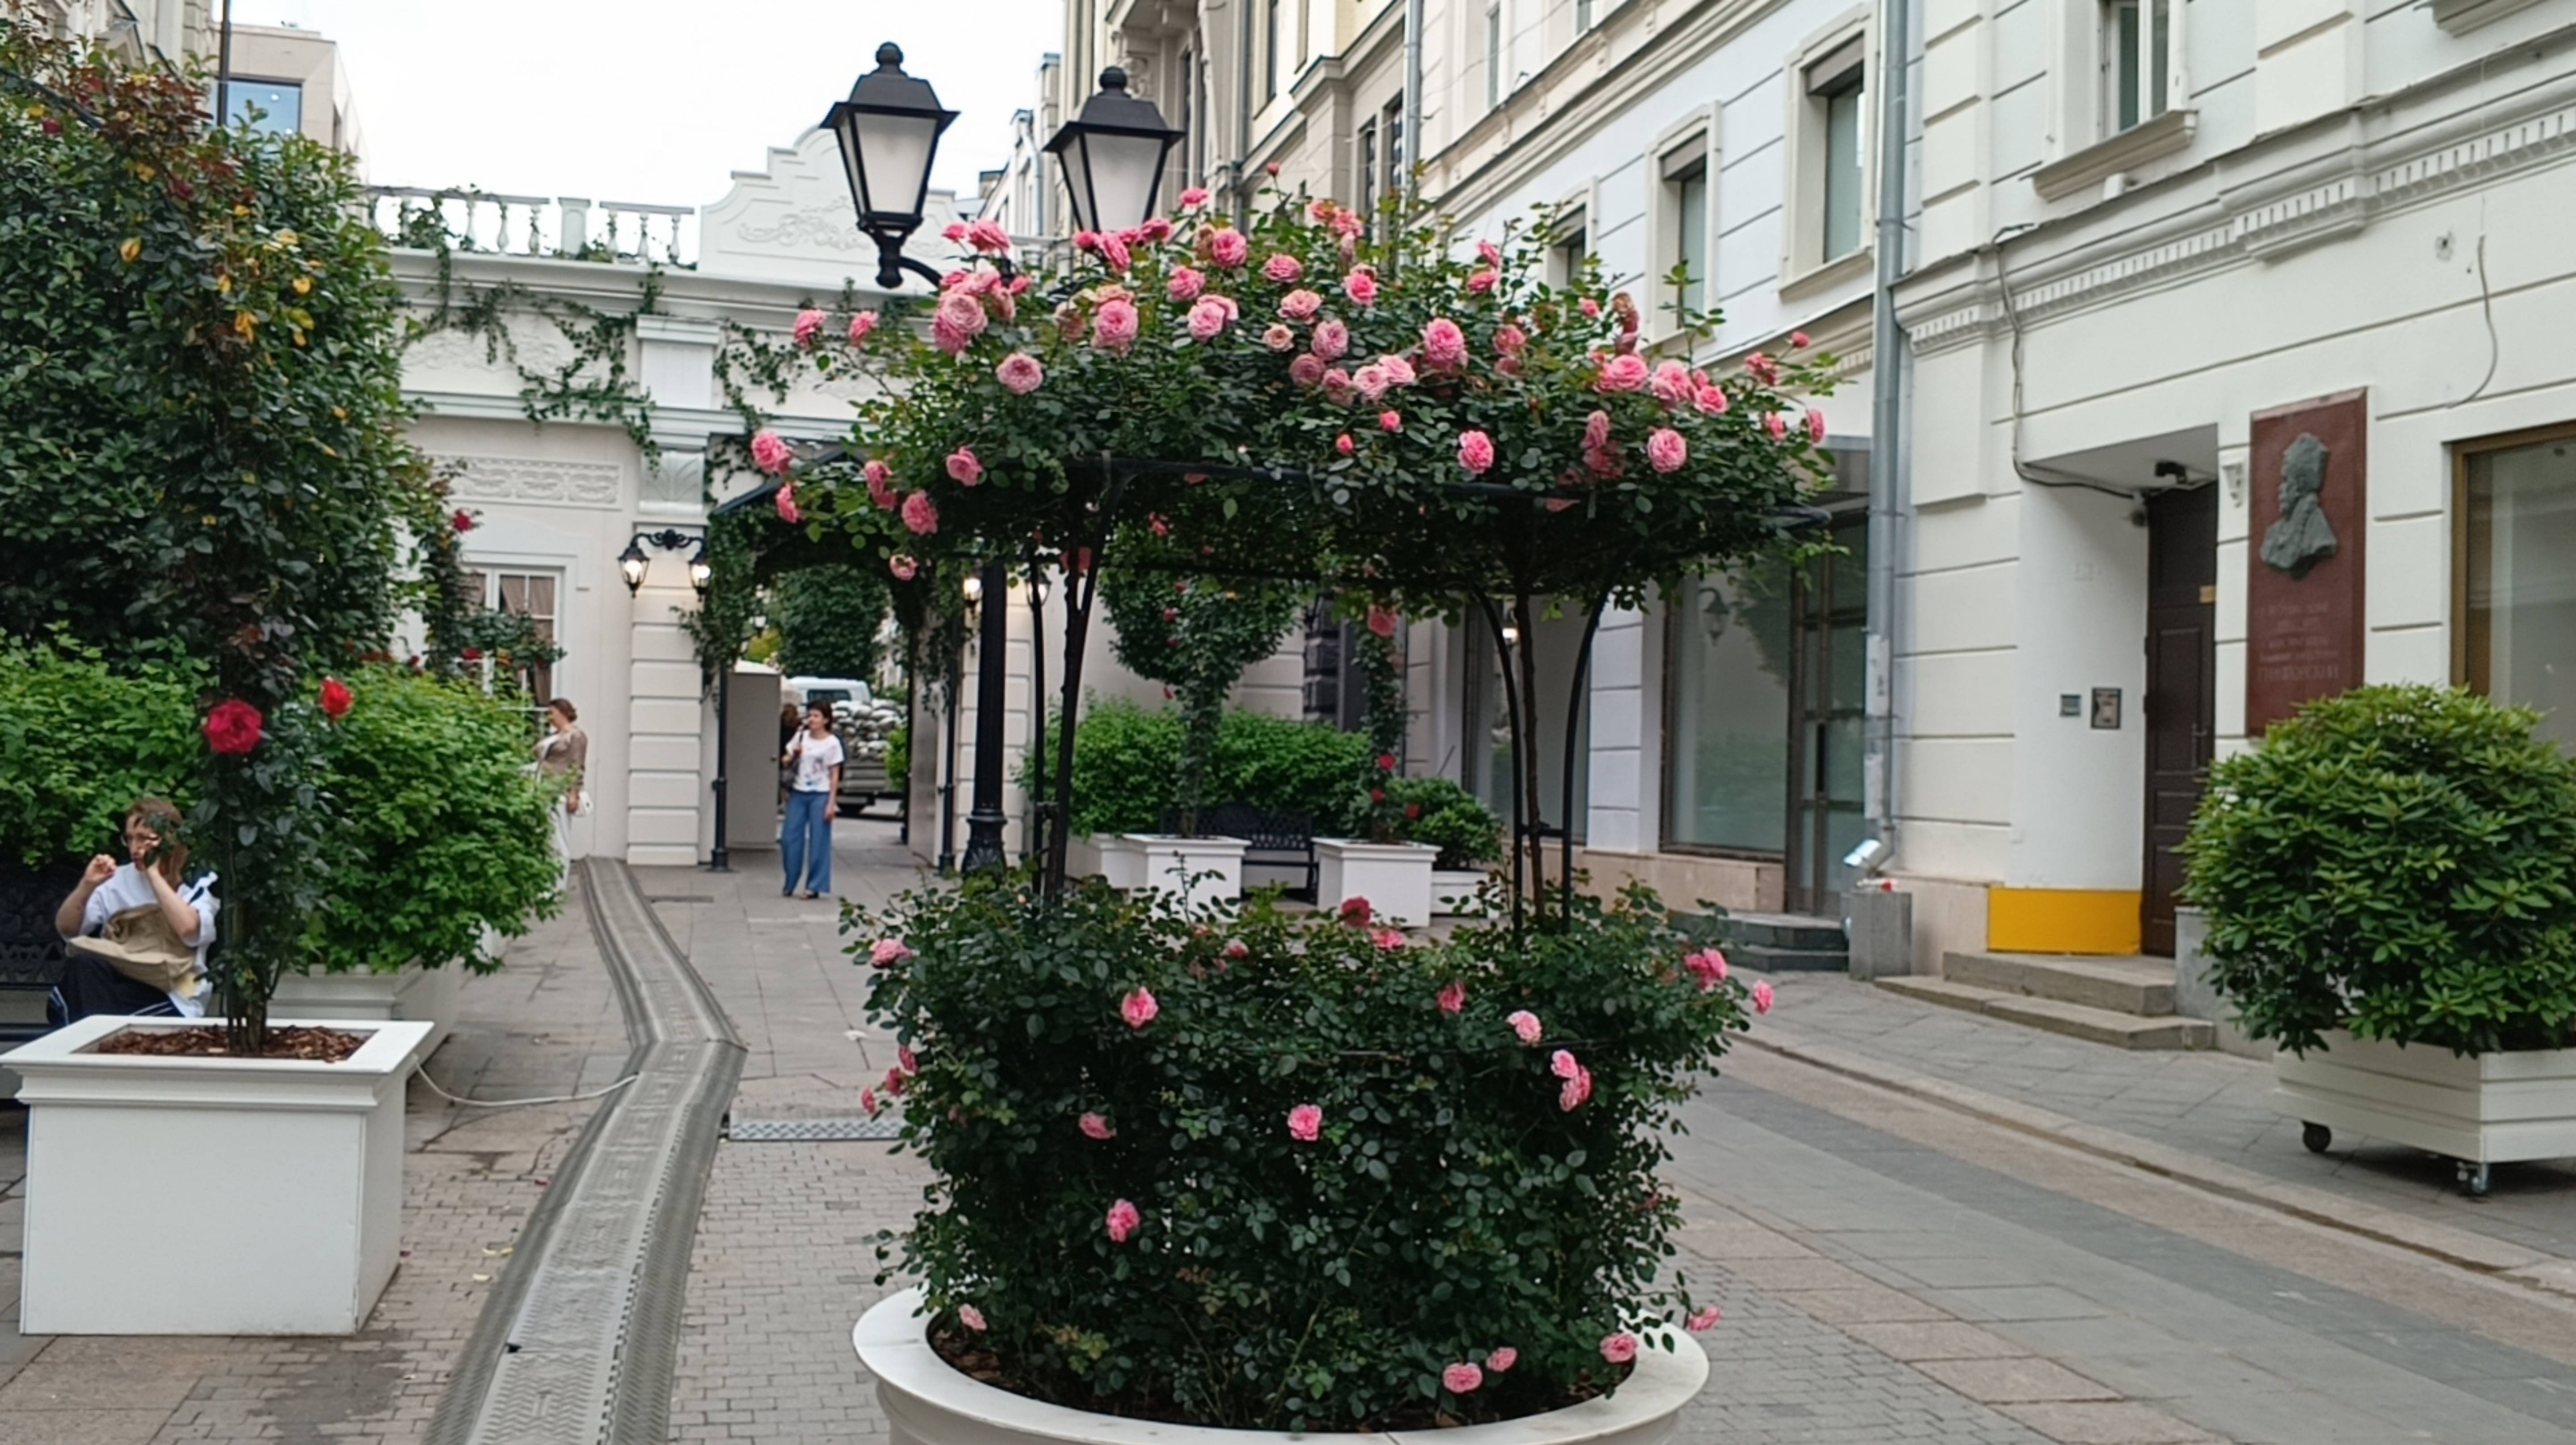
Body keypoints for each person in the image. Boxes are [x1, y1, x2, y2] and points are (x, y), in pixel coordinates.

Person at [51, 799, 220, 1024]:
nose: (134, 848)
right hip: (118, 979)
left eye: (144, 839)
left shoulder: (198, 880)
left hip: (170, 993)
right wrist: (87, 885)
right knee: (85, 967)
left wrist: (154, 875)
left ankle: (97, 1041)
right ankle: (101, 1042)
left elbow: (190, 932)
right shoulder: (117, 879)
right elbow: (68, 930)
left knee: (94, 1005)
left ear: (170, 839)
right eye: (130, 839)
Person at [781, 699, 844, 899]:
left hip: (821, 794)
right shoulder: (801, 736)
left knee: (819, 840)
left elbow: (835, 774)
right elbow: (786, 760)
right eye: (810, 715)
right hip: (799, 792)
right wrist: (793, 756)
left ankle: (814, 885)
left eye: (817, 716)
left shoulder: (832, 743)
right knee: (789, 838)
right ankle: (791, 880)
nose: (812, 720)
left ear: (826, 720)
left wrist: (832, 803)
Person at [536, 697, 587, 880]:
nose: (550, 718)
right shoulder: (554, 736)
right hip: (544, 788)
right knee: (548, 838)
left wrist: (573, 793)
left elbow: (577, 765)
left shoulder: (576, 736)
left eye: (552, 713)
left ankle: (559, 884)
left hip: (560, 790)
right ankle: (547, 882)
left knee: (560, 839)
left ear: (563, 712)